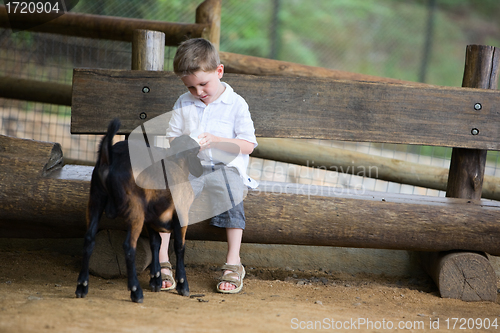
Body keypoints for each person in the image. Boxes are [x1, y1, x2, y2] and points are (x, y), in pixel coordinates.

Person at [159, 38, 258, 294]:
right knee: (171, 194)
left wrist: (216, 141)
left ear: (219, 71)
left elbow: (248, 145)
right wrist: (186, 144)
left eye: (203, 84)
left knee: (233, 192)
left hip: (227, 170)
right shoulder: (183, 102)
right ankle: (162, 259)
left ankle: (233, 262)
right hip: (193, 167)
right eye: (191, 87)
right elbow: (171, 137)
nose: (198, 92)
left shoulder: (236, 104)